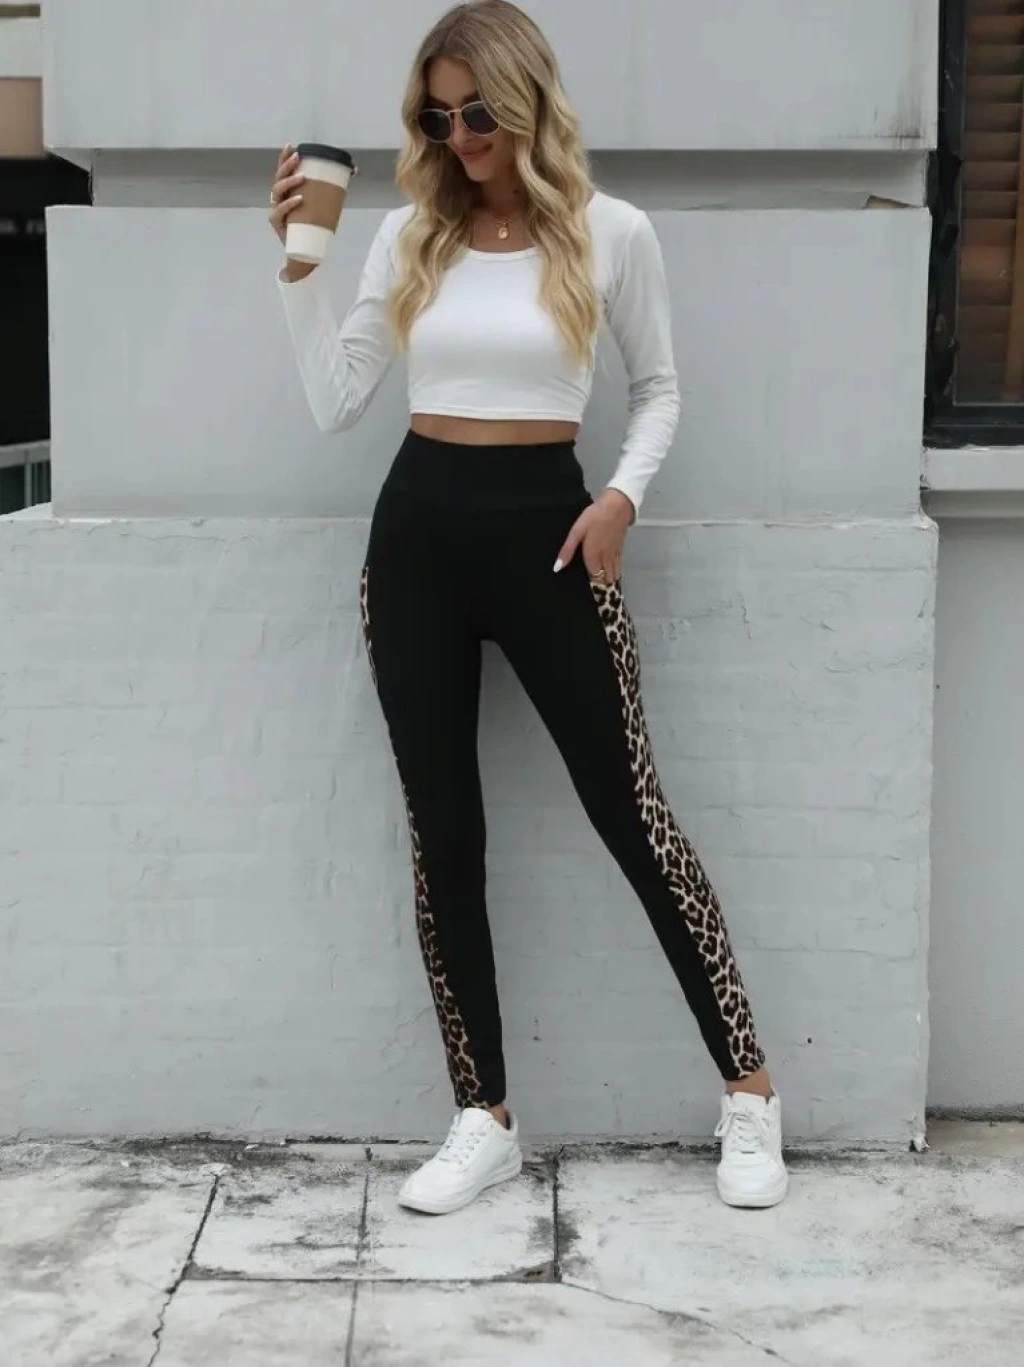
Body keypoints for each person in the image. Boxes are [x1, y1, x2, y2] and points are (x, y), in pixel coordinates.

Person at [270, 0, 788, 1217]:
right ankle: (483, 1113)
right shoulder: (410, 235)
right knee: (444, 832)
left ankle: (750, 1090)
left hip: (553, 543)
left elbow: (659, 388)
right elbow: (336, 402)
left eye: (478, 114)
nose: (459, 138)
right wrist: (298, 271)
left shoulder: (612, 232)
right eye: (435, 119)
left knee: (632, 813)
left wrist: (620, 498)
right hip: (415, 545)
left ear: (527, 104)